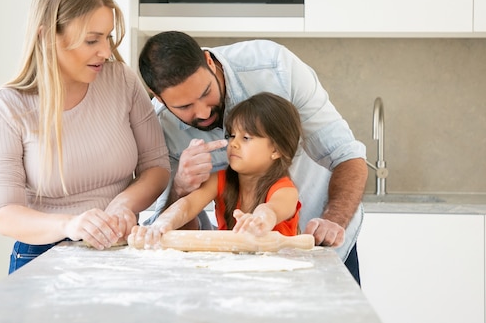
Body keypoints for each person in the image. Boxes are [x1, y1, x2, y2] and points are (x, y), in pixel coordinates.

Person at [0, 0, 171, 273]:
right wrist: (72, 224)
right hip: (40, 259)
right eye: (92, 40)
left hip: (120, 251)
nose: (106, 52)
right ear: (47, 37)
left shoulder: (122, 81)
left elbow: (156, 167)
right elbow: (5, 214)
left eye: (107, 37)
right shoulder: (7, 108)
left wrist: (122, 205)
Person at [138, 31, 367, 284]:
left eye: (205, 93)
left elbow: (346, 155)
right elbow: (186, 207)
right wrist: (172, 202)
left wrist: (330, 221)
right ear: (158, 97)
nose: (202, 112)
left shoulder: (275, 66)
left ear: (209, 62)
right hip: (232, 272)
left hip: (322, 247)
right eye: (184, 107)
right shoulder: (159, 127)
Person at [129, 92, 303, 248]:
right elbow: (188, 205)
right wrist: (162, 223)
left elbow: (271, 209)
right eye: (232, 135)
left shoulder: (285, 190)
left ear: (276, 150)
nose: (233, 143)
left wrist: (260, 220)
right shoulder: (220, 180)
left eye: (246, 138)